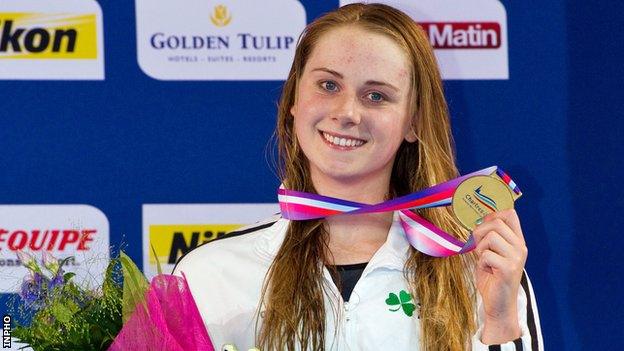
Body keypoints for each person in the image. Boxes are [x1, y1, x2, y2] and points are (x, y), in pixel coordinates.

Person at [174, 3, 543, 350]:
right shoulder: (209, 275)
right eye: (328, 85)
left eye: (377, 96)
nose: (347, 112)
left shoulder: (477, 270)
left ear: (413, 121)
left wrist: (499, 317)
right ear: (294, 100)